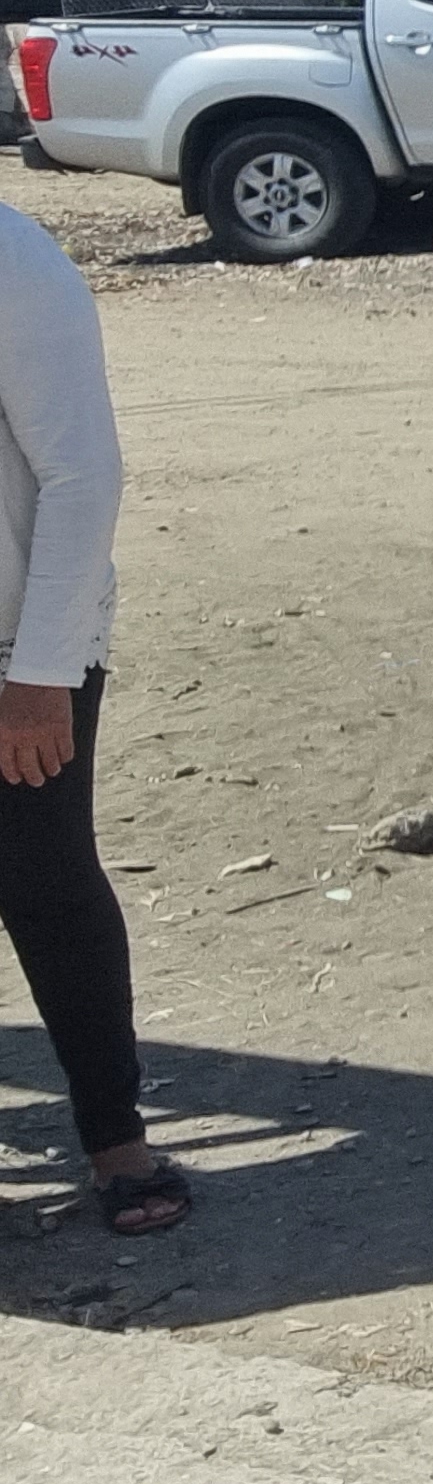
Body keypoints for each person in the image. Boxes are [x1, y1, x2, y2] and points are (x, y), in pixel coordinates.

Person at [0, 193, 181, 1235]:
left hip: (17, 651)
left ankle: (117, 1141)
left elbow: (82, 475)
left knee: (46, 885)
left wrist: (41, 675)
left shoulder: (13, 259)